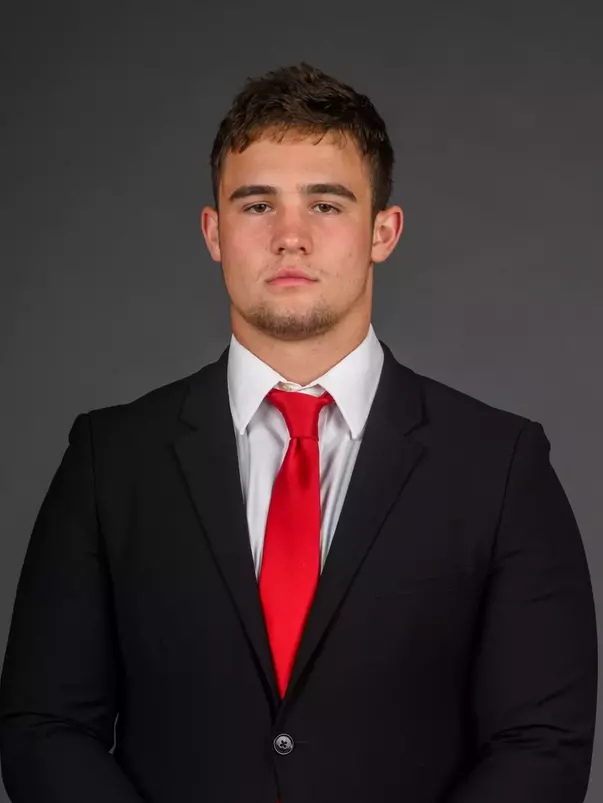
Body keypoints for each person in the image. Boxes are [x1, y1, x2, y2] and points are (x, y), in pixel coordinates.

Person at [0, 61, 597, 803]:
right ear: (213, 231)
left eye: (325, 204)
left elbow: (540, 744)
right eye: (256, 205)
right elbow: (44, 727)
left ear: (384, 230)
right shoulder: (107, 460)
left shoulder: (501, 465)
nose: (290, 237)